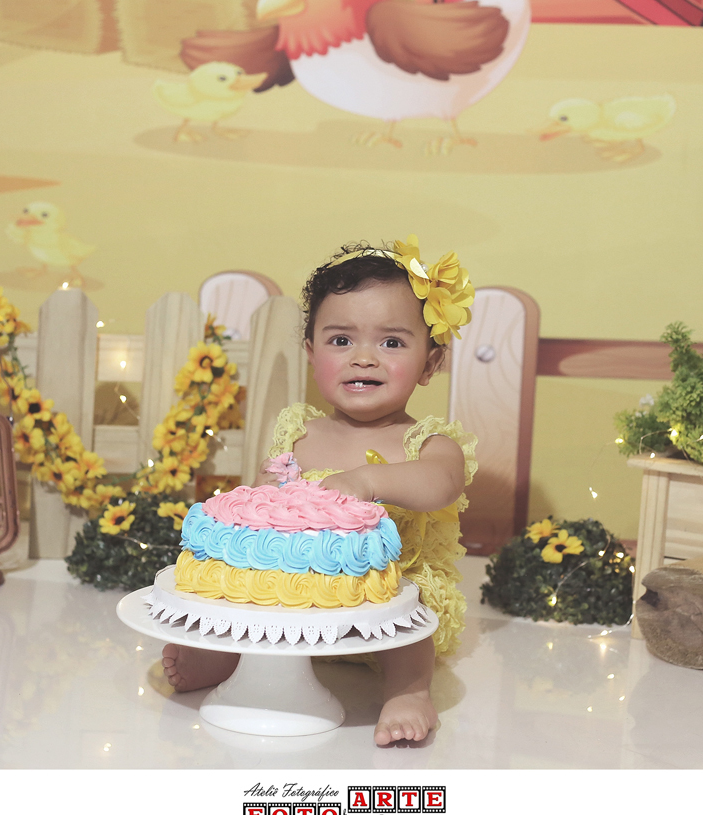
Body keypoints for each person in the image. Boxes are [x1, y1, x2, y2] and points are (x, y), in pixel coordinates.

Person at [162, 237, 477, 745]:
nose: (364, 359)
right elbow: (266, 505)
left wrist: (368, 480)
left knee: (409, 610)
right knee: (249, 599)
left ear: (430, 363)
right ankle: (222, 661)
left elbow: (441, 485)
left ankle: (408, 692)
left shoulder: (427, 443)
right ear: (311, 353)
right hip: (303, 595)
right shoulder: (299, 433)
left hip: (385, 594)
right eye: (341, 340)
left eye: (392, 343)